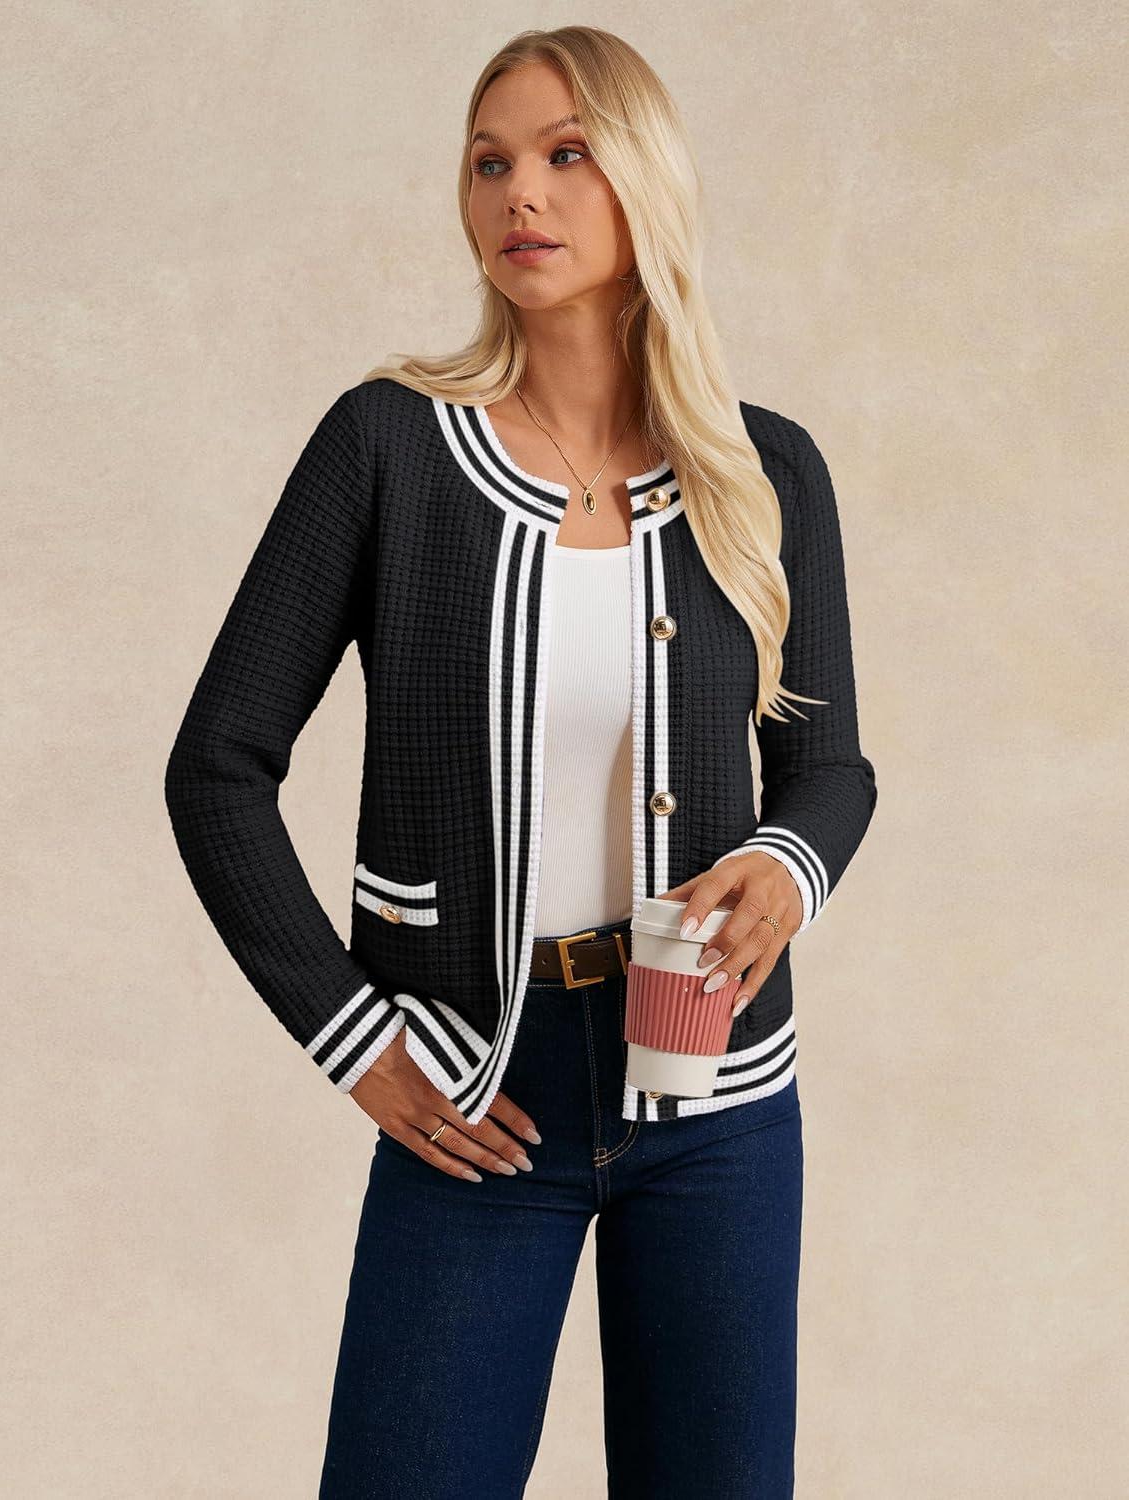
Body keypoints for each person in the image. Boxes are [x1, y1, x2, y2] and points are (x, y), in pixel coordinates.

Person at [164, 25, 878, 1499]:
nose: (519, 195)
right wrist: (357, 1043)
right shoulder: (387, 447)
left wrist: (784, 869)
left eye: (565, 155)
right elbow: (217, 767)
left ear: (644, 182)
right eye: (489, 162)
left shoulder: (765, 472)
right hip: (476, 1083)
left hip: (716, 1084)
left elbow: (832, 769)